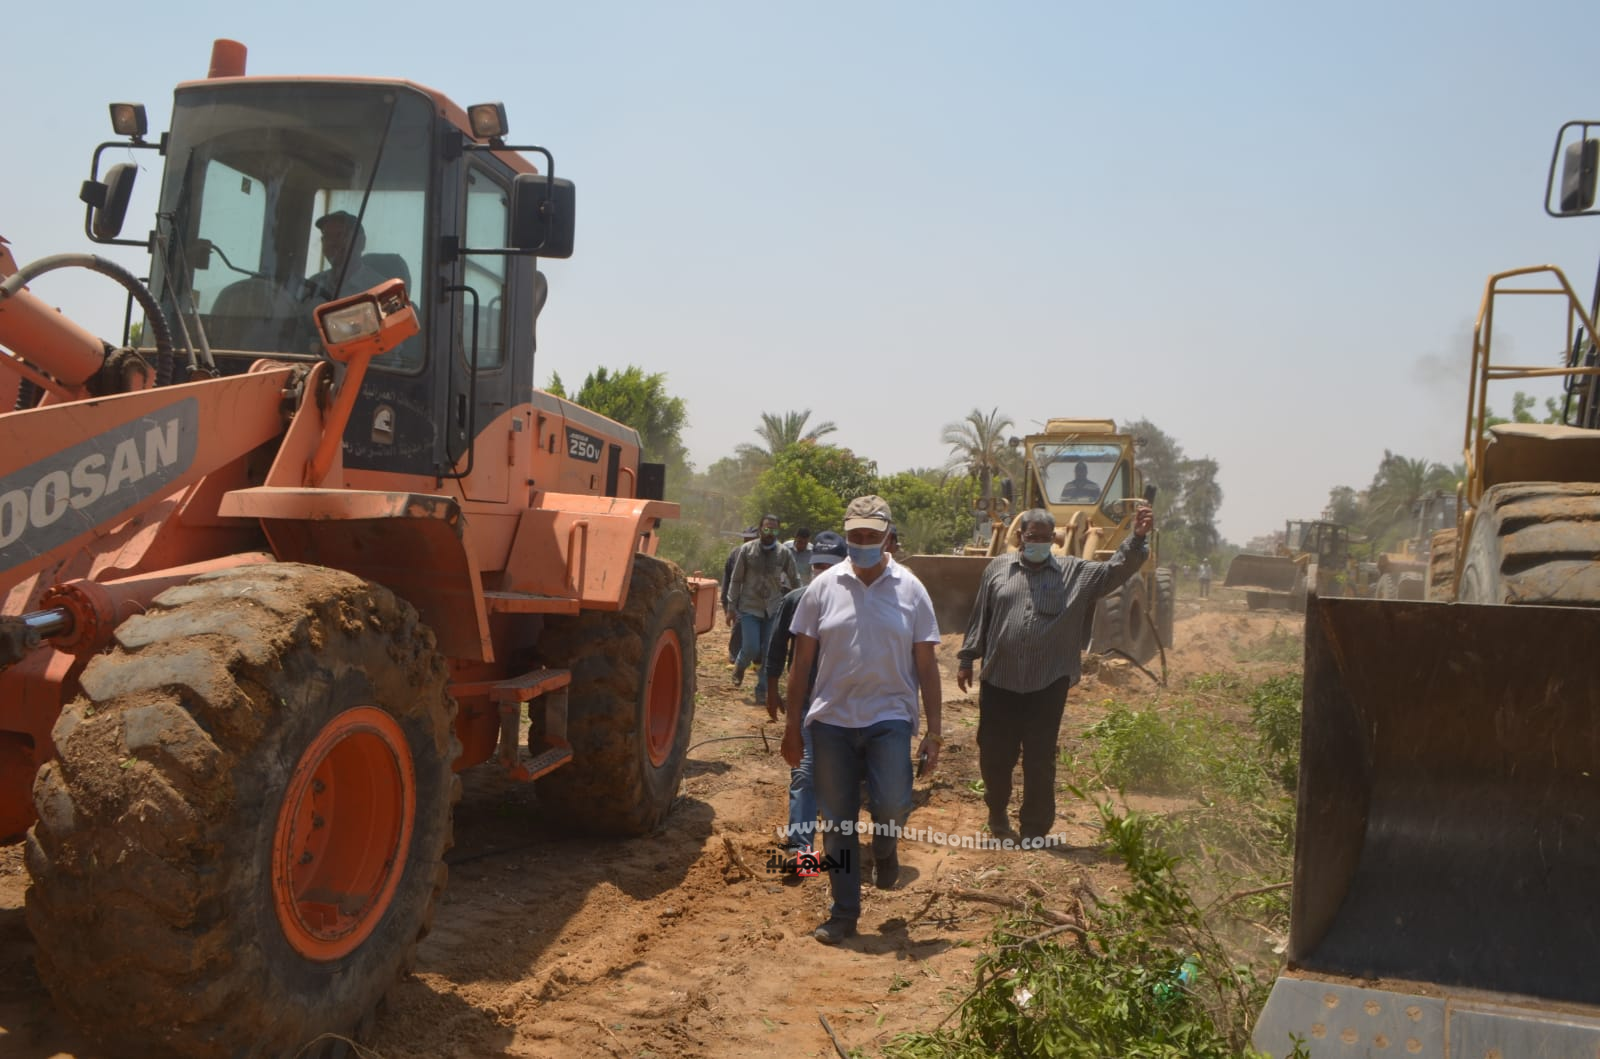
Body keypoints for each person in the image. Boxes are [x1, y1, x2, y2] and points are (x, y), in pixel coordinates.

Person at [782, 495, 943, 945]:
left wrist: (934, 730)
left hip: (889, 718)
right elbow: (801, 663)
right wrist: (792, 727)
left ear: (888, 536)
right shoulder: (823, 588)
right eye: (856, 537)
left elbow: (927, 664)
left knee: (891, 803)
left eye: (872, 537)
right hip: (831, 721)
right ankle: (844, 913)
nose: (863, 544)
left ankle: (887, 848)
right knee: (838, 824)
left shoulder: (911, 589)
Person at [957, 503, 1154, 844]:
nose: (1039, 544)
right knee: (994, 752)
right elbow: (981, 616)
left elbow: (1117, 571)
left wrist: (1136, 539)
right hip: (1000, 679)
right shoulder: (997, 569)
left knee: (1039, 756)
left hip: (1048, 683)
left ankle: (1034, 828)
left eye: (1046, 539)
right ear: (1020, 537)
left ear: (1055, 539)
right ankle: (997, 812)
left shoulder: (1076, 573)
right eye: (1033, 538)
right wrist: (966, 657)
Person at [764, 530, 848, 865]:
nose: (822, 572)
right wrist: (772, 689)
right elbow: (776, 648)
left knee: (843, 776)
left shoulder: (859, 603)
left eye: (829, 565)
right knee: (804, 772)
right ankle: (800, 851)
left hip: (847, 705)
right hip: (809, 702)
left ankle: (841, 846)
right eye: (817, 566)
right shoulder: (797, 600)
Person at [727, 514, 799, 700]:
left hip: (773, 608)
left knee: (768, 650)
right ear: (760, 530)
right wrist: (730, 607)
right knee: (751, 647)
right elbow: (736, 580)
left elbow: (795, 579)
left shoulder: (784, 553)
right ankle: (741, 665)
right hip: (750, 606)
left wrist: (801, 602)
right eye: (767, 529)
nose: (770, 533)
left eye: (774, 530)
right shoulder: (747, 551)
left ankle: (762, 690)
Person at [304, 211, 394, 303]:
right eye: (327, 237)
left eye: (341, 236)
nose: (332, 243)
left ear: (361, 242)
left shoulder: (381, 290)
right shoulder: (314, 284)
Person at [722, 527, 759, 665]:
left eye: (751, 538)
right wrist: (726, 602)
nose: (747, 541)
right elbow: (727, 578)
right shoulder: (735, 553)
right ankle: (734, 654)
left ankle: (756, 656)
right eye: (746, 538)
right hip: (739, 598)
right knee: (738, 624)